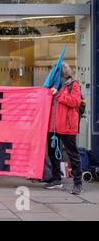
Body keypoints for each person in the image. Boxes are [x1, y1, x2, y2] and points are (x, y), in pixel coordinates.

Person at [45, 62, 83, 195]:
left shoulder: (73, 84)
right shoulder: (52, 85)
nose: (51, 74)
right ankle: (56, 179)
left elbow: (75, 102)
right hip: (53, 126)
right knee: (52, 153)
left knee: (73, 155)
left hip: (67, 126)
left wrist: (58, 95)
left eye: (54, 71)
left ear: (61, 72)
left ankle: (78, 183)